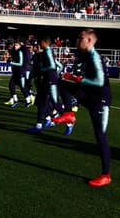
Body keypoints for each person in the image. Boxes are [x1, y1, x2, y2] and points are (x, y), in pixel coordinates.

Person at [54, 28, 112, 187]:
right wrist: (73, 78)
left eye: (81, 38)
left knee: (101, 138)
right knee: (62, 82)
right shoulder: (82, 56)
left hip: (100, 101)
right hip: (88, 96)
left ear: (90, 41)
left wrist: (77, 79)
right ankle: (69, 113)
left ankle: (106, 175)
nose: (77, 40)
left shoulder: (95, 57)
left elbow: (100, 82)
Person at [26, 37, 62, 134]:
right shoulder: (37, 56)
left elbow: (55, 66)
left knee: (53, 103)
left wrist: (52, 76)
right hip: (42, 83)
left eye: (35, 46)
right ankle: (40, 125)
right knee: (41, 104)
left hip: (48, 83)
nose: (34, 47)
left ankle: (68, 121)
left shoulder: (46, 54)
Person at [5, 40, 32, 108]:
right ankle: (16, 101)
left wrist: (11, 63)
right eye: (15, 45)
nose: (15, 46)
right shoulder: (16, 52)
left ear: (20, 46)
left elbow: (20, 63)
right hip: (17, 72)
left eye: (17, 45)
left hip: (21, 72)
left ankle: (28, 100)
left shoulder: (20, 52)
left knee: (22, 87)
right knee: (11, 85)